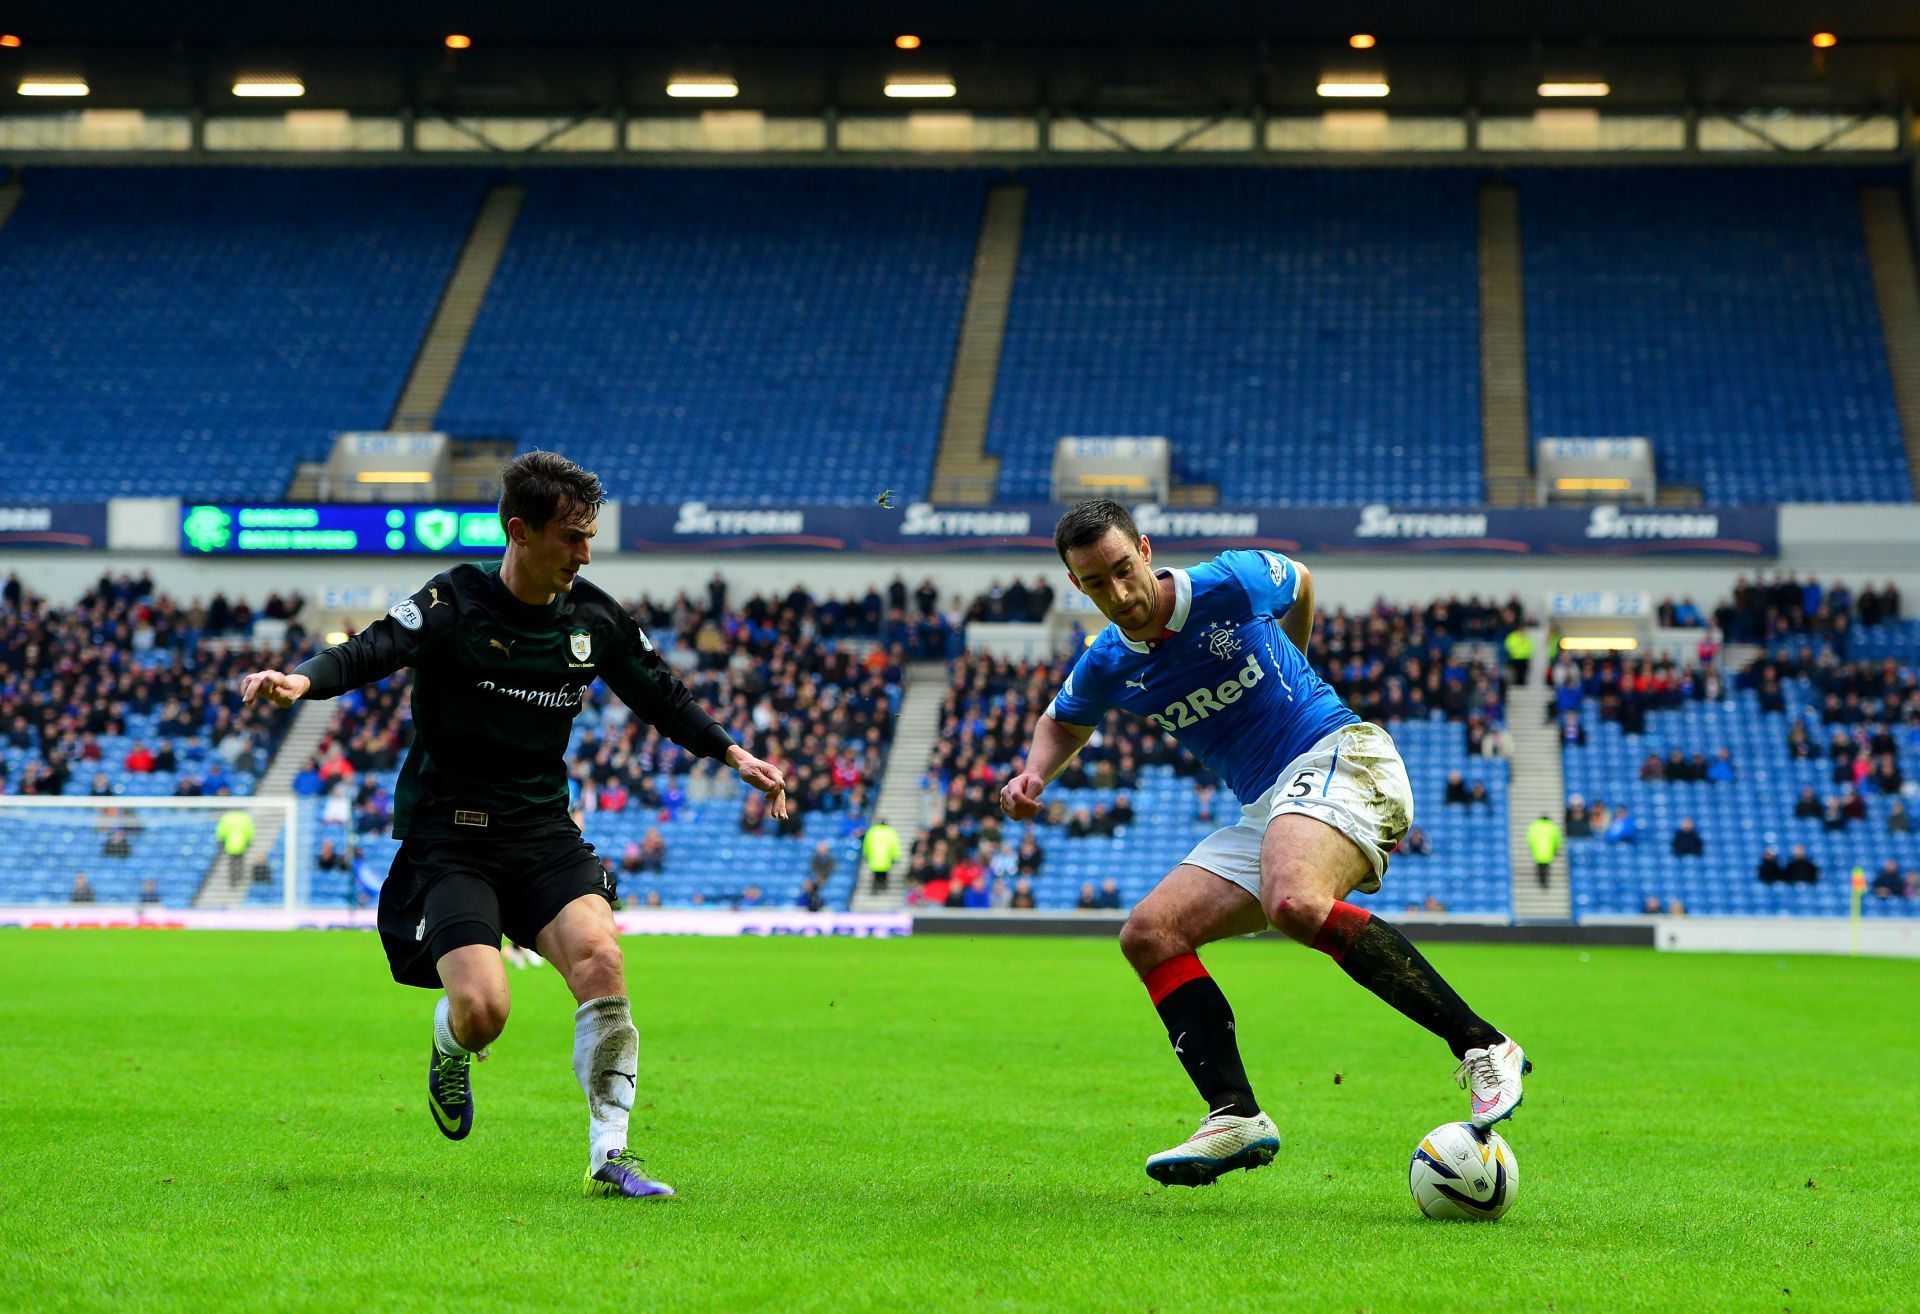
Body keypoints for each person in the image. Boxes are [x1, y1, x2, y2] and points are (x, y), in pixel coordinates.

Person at [241, 451, 789, 1200]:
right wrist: (304, 678)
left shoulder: (591, 619)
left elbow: (660, 694)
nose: (584, 553)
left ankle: (611, 1156)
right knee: (484, 1011)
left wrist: (733, 753)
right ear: (519, 532)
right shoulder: (453, 601)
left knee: (601, 956)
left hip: (542, 835)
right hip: (454, 837)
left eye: (589, 536)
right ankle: (448, 1042)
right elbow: (375, 647)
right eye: (570, 537)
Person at [999, 500, 1526, 1190]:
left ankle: (1484, 1045)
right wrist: (1035, 771)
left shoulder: (1231, 583)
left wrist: (1297, 654)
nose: (1119, 593)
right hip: (1269, 805)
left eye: (1125, 570)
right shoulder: (1106, 664)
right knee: (1150, 934)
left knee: (1292, 899)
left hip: (1341, 754)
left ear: (1146, 550)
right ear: (1077, 585)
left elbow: (1301, 581)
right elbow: (1064, 720)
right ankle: (1235, 1115)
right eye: (1097, 583)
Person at [862, 817, 901, 891]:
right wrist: (896, 856)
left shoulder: (872, 831)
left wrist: (866, 854)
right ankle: (883, 887)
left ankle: (875, 887)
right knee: (884, 873)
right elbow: (895, 845)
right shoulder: (891, 831)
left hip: (874, 857)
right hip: (886, 857)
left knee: (876, 873)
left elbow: (866, 844)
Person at [1526, 813, 1562, 888]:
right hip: (1548, 850)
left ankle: (1540, 880)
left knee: (1539, 866)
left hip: (1537, 850)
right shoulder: (1552, 826)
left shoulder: (1535, 826)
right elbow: (1557, 838)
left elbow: (1530, 837)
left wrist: (1531, 846)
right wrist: (1557, 848)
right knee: (1546, 867)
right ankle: (1545, 881)